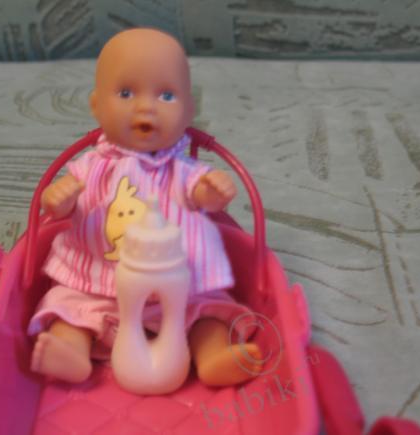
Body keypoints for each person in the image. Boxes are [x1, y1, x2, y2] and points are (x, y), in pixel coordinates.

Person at [28, 28, 263, 387]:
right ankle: (71, 352)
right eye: (126, 93)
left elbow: (203, 198)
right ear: (96, 106)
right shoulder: (90, 167)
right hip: (97, 284)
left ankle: (213, 355)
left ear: (189, 110)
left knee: (208, 315)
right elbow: (58, 211)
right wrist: (58, 199)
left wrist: (214, 192)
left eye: (166, 95)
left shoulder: (183, 170)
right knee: (68, 310)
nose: (145, 107)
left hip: (179, 290)